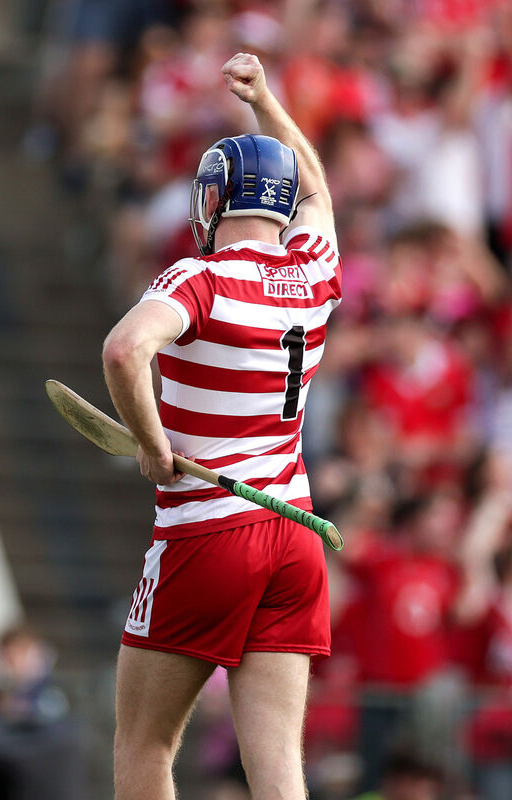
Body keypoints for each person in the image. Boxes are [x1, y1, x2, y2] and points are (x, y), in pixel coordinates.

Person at [100, 52, 340, 800]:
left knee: (145, 747)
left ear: (210, 198)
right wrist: (269, 104)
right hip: (294, 530)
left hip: (208, 530)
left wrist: (151, 443)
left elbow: (123, 349)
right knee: (278, 775)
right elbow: (318, 187)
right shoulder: (317, 269)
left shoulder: (196, 277)